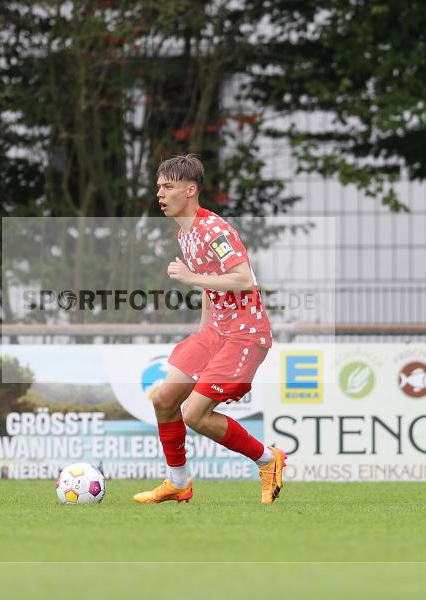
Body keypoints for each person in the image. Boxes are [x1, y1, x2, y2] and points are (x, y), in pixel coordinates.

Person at [134, 154, 285, 505]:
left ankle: (268, 459)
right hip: (217, 331)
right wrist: (202, 335)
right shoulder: (185, 232)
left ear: (190, 190)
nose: (160, 193)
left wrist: (191, 277)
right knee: (163, 399)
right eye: (159, 186)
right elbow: (211, 288)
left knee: (195, 415)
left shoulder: (214, 229)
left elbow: (243, 279)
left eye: (168, 187)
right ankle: (178, 482)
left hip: (244, 334)